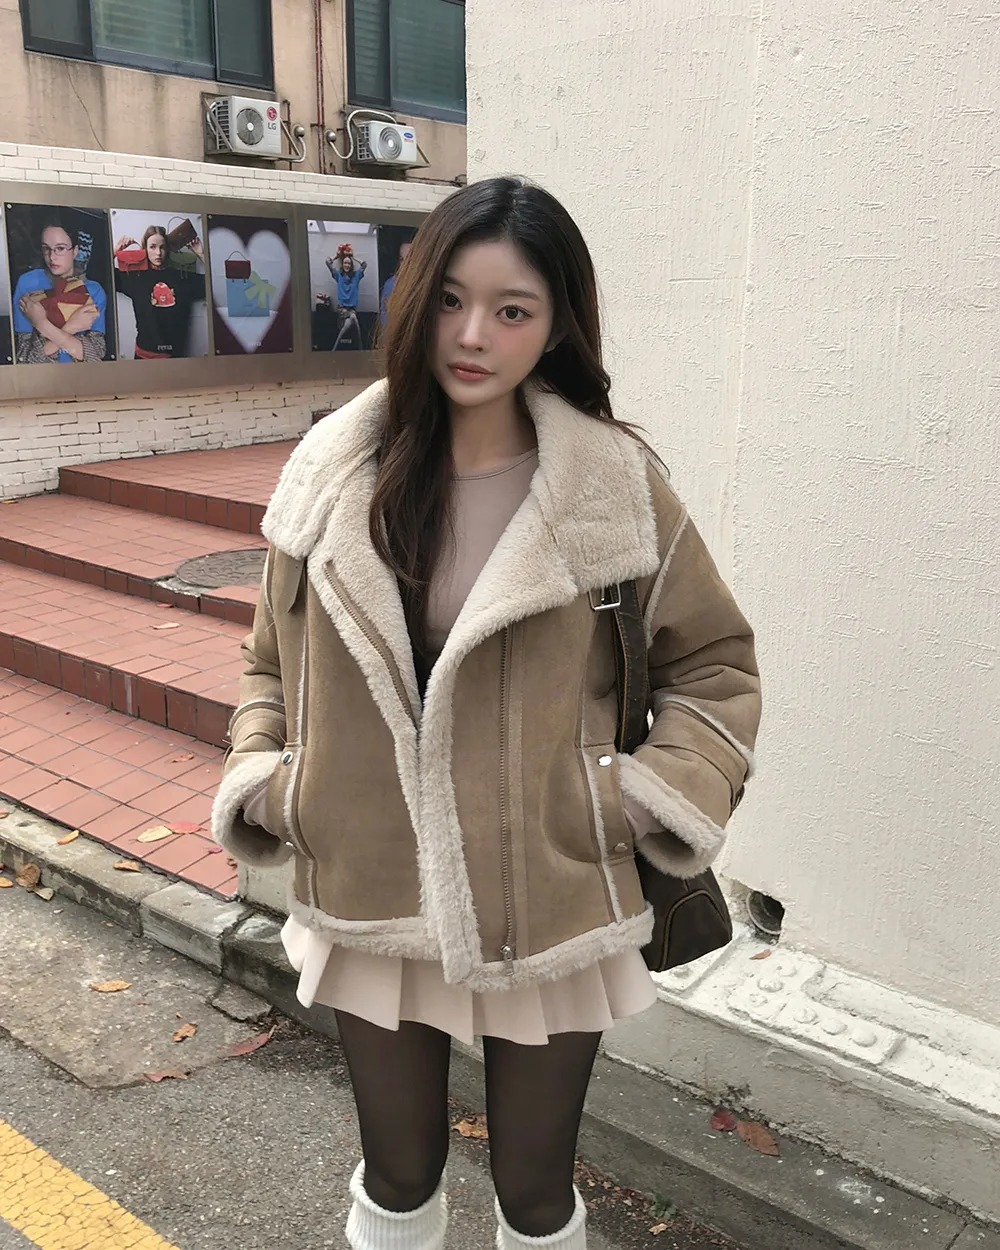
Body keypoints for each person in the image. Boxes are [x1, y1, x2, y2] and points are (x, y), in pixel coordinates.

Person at [212, 176, 761, 1250]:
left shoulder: (610, 484)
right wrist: (271, 780)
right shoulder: (333, 473)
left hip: (545, 894)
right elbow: (268, 659)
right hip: (369, 884)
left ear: (556, 326)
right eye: (453, 300)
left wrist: (634, 797)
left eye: (513, 309)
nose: (473, 336)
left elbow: (714, 664)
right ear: (416, 299)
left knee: (534, 1191)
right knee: (399, 1173)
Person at [12, 220, 107, 364]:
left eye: (60, 248)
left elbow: (95, 357)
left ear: (75, 251)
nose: (52, 257)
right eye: (46, 248)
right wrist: (72, 327)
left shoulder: (94, 291)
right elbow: (26, 359)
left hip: (80, 375)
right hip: (42, 376)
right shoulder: (28, 283)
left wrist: (41, 324)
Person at [113, 224, 206, 359]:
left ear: (167, 249)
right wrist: (115, 251)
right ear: (145, 249)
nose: (158, 253)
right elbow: (99, 275)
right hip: (143, 356)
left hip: (175, 358)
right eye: (153, 247)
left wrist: (201, 254)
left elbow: (213, 284)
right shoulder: (135, 277)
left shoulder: (182, 277)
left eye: (162, 247)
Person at [326, 245, 367, 350]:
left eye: (349, 263)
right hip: (342, 310)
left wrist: (353, 257)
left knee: (351, 320)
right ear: (342, 264)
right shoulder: (338, 275)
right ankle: (360, 348)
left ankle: (335, 349)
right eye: (345, 263)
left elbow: (364, 264)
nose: (347, 265)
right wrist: (337, 256)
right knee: (352, 319)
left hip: (352, 310)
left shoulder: (356, 276)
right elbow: (327, 262)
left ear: (351, 265)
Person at [379, 239, 412, 326]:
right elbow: (385, 320)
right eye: (402, 259)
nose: (405, 264)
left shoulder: (427, 284)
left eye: (410, 258)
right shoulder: (390, 285)